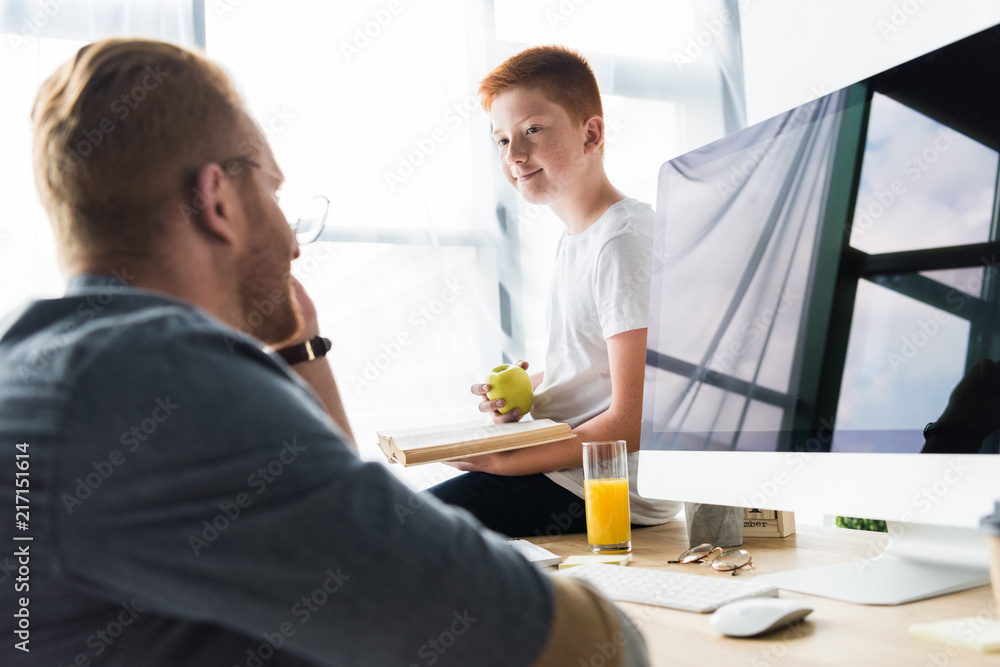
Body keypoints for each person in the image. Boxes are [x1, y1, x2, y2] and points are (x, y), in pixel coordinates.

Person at [0, 38, 650, 667]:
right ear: (217, 201)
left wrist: (299, 346)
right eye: (277, 193)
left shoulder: (35, 364)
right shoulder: (169, 386)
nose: (292, 236)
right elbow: (580, 641)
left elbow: (352, 531)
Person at [428, 46, 681, 537]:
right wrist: (534, 389)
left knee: (392, 536)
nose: (515, 155)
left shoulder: (624, 240)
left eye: (532, 130)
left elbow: (634, 418)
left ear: (591, 134)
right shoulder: (577, 239)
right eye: (501, 140)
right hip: (571, 475)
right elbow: (599, 365)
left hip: (601, 488)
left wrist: (505, 462)